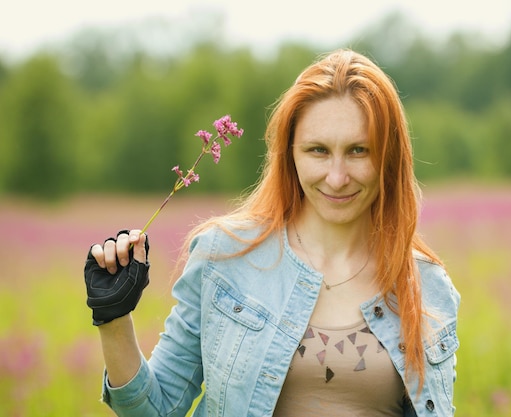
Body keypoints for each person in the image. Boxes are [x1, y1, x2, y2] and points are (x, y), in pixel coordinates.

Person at [84, 49, 460, 417]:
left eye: (358, 150)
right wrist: (114, 321)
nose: (337, 176)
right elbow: (156, 408)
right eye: (318, 150)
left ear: (389, 156)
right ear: (289, 152)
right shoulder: (225, 257)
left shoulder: (428, 285)